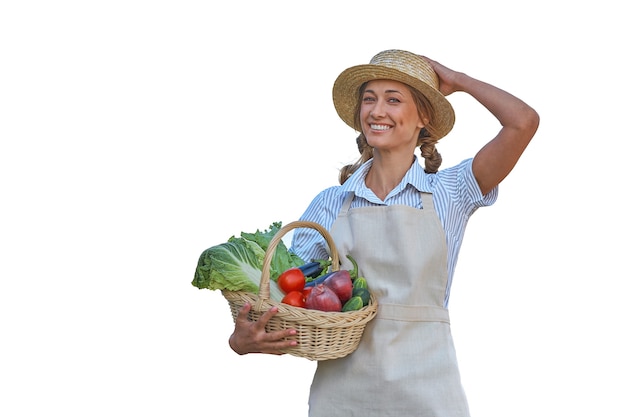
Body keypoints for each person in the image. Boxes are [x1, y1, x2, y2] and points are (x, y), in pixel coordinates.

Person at [228, 49, 540, 416]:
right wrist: (241, 339)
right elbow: (290, 298)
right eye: (369, 100)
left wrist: (456, 80)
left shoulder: (451, 192)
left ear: (424, 115)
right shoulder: (331, 202)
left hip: (428, 392)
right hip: (342, 396)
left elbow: (523, 121)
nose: (377, 112)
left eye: (394, 100)